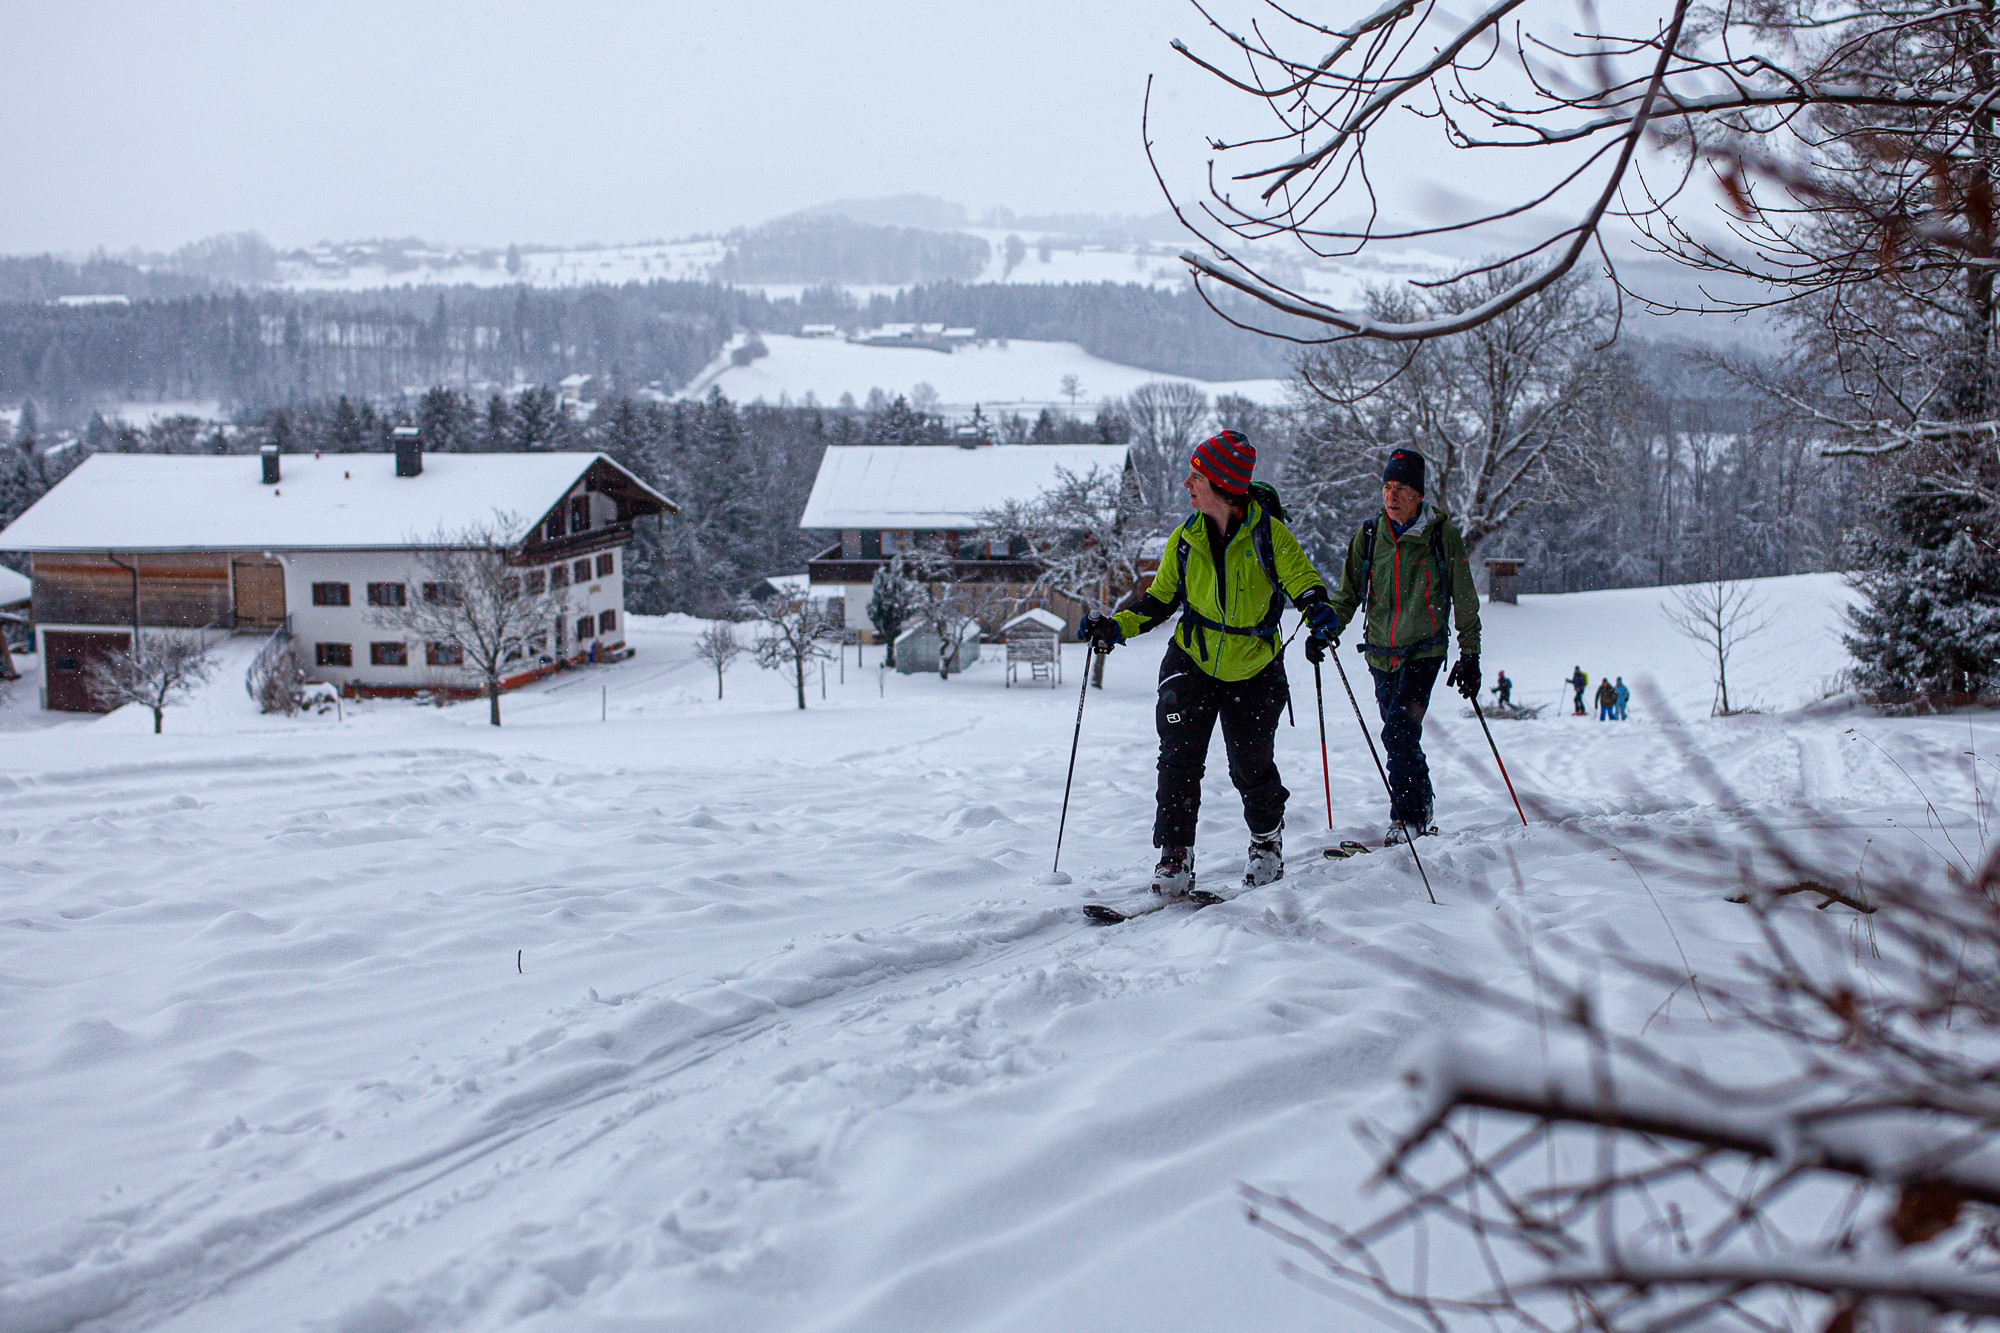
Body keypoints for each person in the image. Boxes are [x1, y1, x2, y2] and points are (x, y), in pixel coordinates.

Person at [1078, 430, 1330, 900]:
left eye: (1196, 477)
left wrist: (1321, 612)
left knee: (1250, 765)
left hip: (1254, 667)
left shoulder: (1269, 536)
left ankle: (1266, 842)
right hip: (1192, 662)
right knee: (1178, 761)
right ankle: (1174, 854)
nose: (1187, 486)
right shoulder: (1186, 538)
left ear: (1220, 484)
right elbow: (1157, 602)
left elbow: (1305, 583)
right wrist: (1114, 627)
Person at [1308, 449, 1481, 843]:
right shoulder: (1370, 536)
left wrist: (1470, 654)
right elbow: (1347, 593)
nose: (1391, 496)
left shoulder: (1441, 537)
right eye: (1387, 487)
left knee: (1399, 733)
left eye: (1401, 488)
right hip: (1379, 654)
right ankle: (1421, 800)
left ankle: (1408, 816)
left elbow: (1465, 597)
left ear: (1419, 495)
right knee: (1398, 734)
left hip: (1424, 652)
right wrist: (1327, 627)